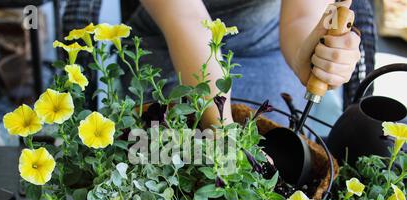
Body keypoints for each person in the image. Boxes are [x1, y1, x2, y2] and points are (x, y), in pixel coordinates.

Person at [123, 0, 361, 127]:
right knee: (171, 147)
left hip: (266, 47)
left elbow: (301, 14)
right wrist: (223, 131)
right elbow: (187, 19)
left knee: (275, 150)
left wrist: (309, 54)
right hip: (170, 42)